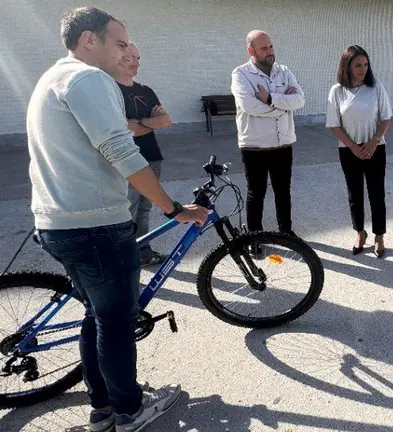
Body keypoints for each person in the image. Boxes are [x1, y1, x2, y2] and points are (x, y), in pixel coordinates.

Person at [26, 7, 208, 432]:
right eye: (120, 43)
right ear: (90, 40)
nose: (128, 51)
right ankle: (129, 410)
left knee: (98, 315)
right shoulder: (89, 79)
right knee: (116, 320)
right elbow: (123, 151)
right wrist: (174, 208)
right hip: (95, 225)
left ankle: (103, 406)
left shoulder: (52, 78)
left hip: (59, 222)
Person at [230, 30, 305, 239]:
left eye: (271, 46)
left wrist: (270, 98)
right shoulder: (241, 74)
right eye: (264, 48)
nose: (270, 51)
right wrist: (283, 104)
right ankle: (254, 237)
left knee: (283, 192)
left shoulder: (284, 71)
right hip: (255, 146)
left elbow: (300, 100)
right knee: (256, 193)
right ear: (251, 50)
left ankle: (286, 231)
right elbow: (249, 106)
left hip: (283, 143)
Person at [326, 45, 393, 258]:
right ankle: (359, 233)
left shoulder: (376, 87)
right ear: (346, 66)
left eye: (365, 64)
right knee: (354, 195)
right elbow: (334, 125)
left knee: (377, 194)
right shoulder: (337, 91)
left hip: (375, 148)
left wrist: (374, 141)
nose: (363, 69)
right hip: (348, 151)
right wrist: (353, 147)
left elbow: (386, 118)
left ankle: (379, 236)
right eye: (357, 65)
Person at [115, 42, 172, 266]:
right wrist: (150, 122)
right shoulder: (111, 91)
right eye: (130, 58)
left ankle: (143, 252)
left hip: (152, 155)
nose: (136, 63)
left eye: (138, 58)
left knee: (145, 210)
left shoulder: (145, 91)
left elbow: (165, 121)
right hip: (127, 159)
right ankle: (125, 258)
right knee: (127, 210)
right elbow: (125, 129)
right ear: (118, 58)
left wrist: (139, 122)